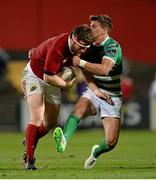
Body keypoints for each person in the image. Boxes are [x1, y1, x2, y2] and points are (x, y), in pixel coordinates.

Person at [53, 15, 122, 170]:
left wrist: (80, 62)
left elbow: (104, 70)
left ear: (104, 30)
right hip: (94, 88)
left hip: (112, 95)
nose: (90, 29)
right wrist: (95, 90)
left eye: (94, 26)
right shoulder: (88, 47)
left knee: (111, 142)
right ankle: (63, 140)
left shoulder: (113, 47)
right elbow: (84, 69)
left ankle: (96, 152)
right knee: (79, 109)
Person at [21, 24, 94, 170]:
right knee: (37, 117)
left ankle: (30, 141)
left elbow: (80, 66)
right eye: (81, 47)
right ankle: (29, 160)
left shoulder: (79, 47)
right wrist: (66, 86)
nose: (83, 51)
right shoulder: (58, 47)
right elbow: (48, 78)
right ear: (74, 40)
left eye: (86, 48)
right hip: (35, 76)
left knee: (50, 123)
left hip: (54, 77)